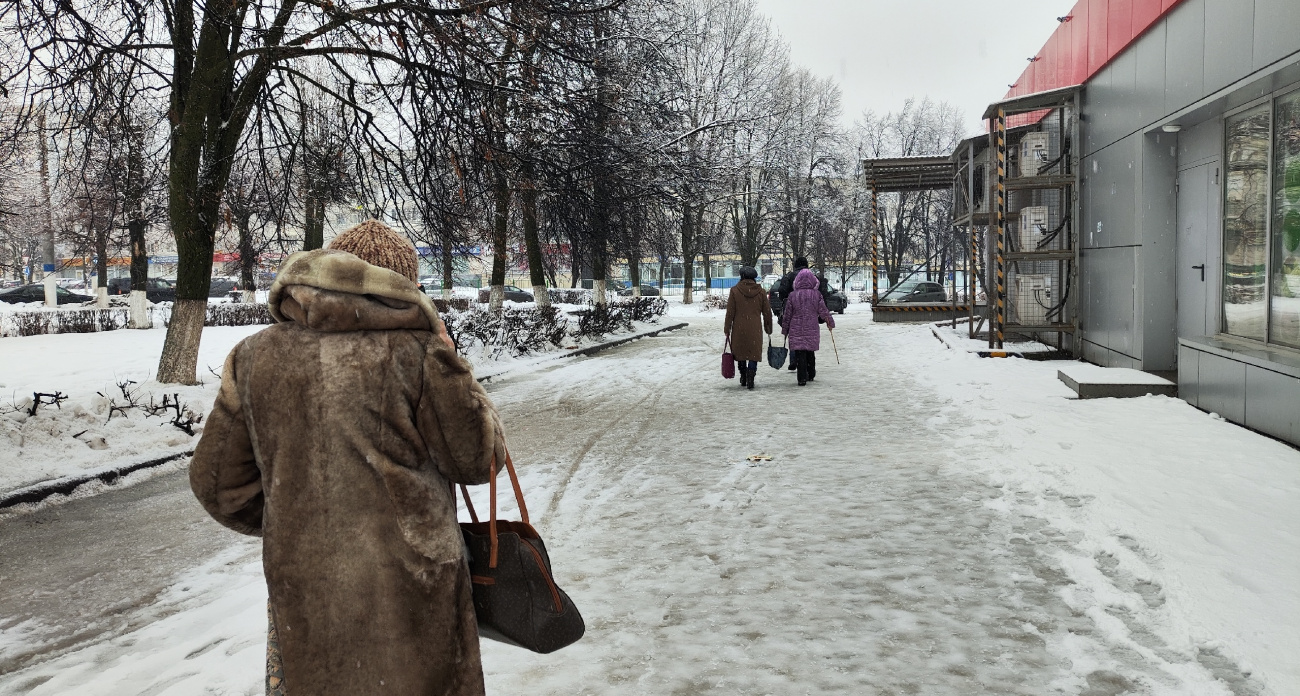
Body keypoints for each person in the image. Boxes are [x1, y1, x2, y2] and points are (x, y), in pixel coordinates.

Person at [189, 219, 506, 696]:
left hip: (306, 588)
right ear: (399, 285)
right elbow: (477, 459)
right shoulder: (417, 352)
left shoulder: (253, 356)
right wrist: (456, 368)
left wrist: (298, 523)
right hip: (410, 586)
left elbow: (217, 486)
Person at [780, 267, 836, 386]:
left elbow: (787, 314)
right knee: (810, 351)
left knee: (800, 352)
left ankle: (801, 378)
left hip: (796, 327)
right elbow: (823, 311)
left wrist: (785, 329)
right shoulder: (817, 295)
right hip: (812, 326)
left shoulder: (792, 295)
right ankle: (811, 373)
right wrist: (830, 322)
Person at [723, 266, 773, 389]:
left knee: (740, 352)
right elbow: (767, 312)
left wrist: (727, 328)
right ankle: (751, 375)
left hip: (739, 329)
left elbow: (730, 312)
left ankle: (743, 374)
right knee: (753, 353)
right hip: (755, 328)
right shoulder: (760, 291)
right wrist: (768, 327)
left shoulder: (735, 291)